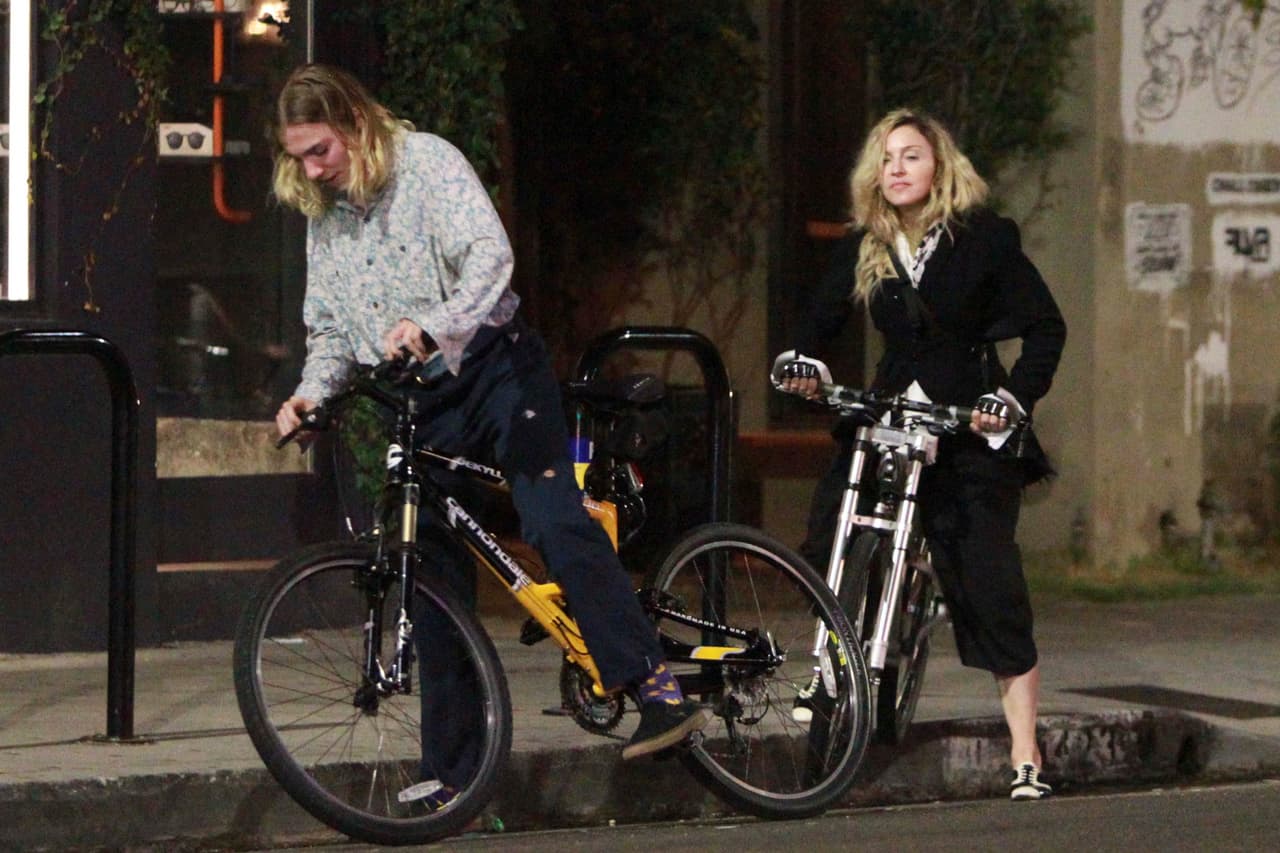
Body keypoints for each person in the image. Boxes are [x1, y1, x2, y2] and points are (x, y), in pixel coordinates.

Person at [269, 63, 709, 803]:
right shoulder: (327, 215)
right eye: (299, 156)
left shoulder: (428, 164)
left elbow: (490, 258)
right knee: (429, 575)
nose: (312, 169)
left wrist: (433, 323)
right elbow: (328, 330)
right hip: (419, 397)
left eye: (321, 150)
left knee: (548, 516)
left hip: (497, 370)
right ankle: (453, 773)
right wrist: (310, 395)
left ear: (353, 123)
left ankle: (659, 689)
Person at [772, 108, 1066, 801]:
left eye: (910, 156)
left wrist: (1013, 401)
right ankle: (830, 663)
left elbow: (1045, 327)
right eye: (886, 158)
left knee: (990, 582)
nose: (896, 168)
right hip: (889, 417)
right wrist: (802, 359)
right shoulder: (867, 243)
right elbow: (820, 319)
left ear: (940, 168)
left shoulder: (984, 240)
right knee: (830, 533)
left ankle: (1025, 749)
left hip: (965, 419)